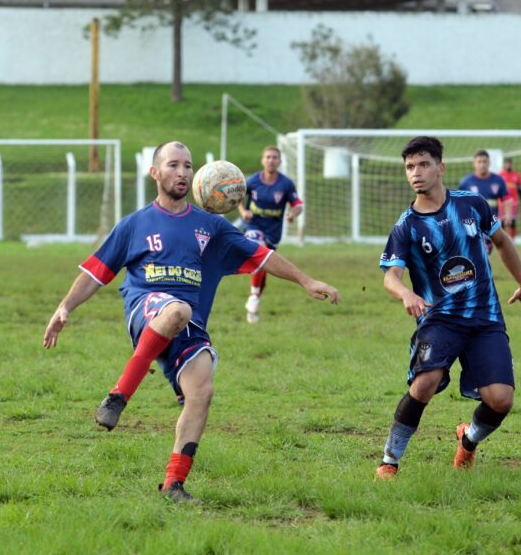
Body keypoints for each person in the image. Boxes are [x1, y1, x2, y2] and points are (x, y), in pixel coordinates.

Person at [42, 141, 338, 503]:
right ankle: (119, 395)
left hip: (188, 326)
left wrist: (307, 281)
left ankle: (174, 484)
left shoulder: (212, 226)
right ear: (155, 173)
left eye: (187, 165)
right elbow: (96, 272)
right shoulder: (134, 224)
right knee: (176, 310)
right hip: (146, 308)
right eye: (173, 165)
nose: (181, 172)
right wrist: (65, 307)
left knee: (202, 392)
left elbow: (262, 256)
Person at [375, 136, 521, 481]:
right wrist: (405, 293)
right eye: (409, 167)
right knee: (424, 383)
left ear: (441, 168)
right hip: (440, 320)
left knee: (501, 400)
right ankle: (390, 460)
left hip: (485, 319)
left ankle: (469, 438)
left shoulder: (472, 205)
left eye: (423, 164)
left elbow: (502, 242)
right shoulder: (407, 225)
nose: (416, 173)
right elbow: (391, 276)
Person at [237, 145, 304, 323]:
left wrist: (292, 214)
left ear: (280, 161)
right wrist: (243, 211)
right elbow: (238, 197)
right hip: (252, 226)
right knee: (261, 250)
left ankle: (255, 300)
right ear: (262, 160)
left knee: (265, 264)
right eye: (268, 157)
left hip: (273, 231)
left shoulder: (286, 184)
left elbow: (298, 204)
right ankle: (253, 297)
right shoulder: (252, 181)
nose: (271, 160)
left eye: (274, 157)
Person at [458, 150, 510, 252]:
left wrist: (508, 216)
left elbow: (506, 200)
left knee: (485, 252)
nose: (482, 164)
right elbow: (459, 203)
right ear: (474, 164)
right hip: (472, 223)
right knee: (475, 252)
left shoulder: (498, 180)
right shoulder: (466, 182)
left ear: (489, 163)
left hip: (491, 222)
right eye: (479, 162)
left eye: (484, 161)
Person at [498, 157, 521, 239]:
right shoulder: (500, 175)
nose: (508, 165)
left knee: (513, 221)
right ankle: (502, 239)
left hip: (513, 202)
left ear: (511, 164)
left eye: (509, 163)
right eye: (506, 163)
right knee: (503, 221)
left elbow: (520, 189)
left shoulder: (517, 175)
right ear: (504, 165)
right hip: (503, 202)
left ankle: (512, 240)